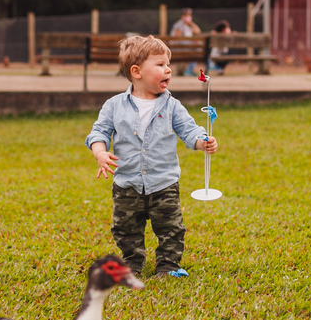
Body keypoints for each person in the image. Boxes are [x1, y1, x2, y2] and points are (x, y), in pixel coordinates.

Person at [86, 35, 219, 279]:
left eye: (168, 64)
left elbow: (189, 129)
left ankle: (168, 265)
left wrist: (203, 141)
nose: (168, 69)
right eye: (160, 65)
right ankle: (131, 263)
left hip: (163, 182)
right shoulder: (114, 105)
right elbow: (99, 132)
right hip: (127, 183)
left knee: (171, 228)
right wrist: (100, 152)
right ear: (136, 72)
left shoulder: (172, 106)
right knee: (125, 228)